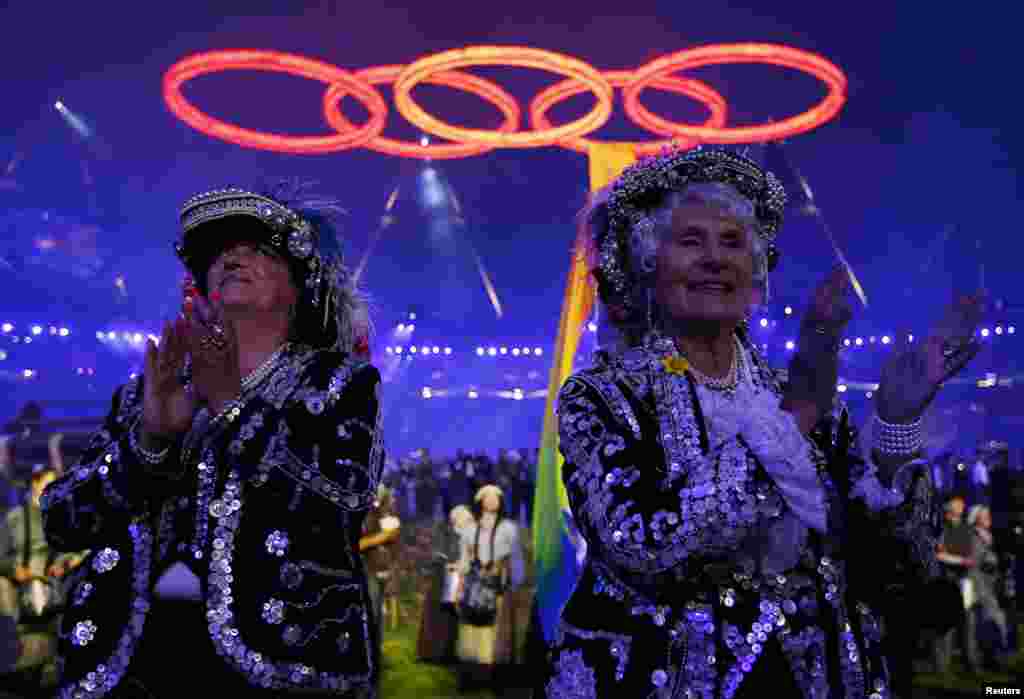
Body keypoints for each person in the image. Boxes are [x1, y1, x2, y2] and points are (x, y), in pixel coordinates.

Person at [535, 147, 985, 698]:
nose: (715, 259)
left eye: (732, 242)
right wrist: (788, 424)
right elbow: (640, 545)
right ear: (647, 264)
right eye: (691, 241)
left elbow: (896, 559)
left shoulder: (800, 396)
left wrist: (896, 420)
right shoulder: (603, 397)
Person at [40, 183, 384, 697]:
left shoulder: (339, 383)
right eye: (218, 252)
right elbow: (62, 521)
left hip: (280, 667)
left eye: (258, 248)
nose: (232, 258)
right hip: (136, 668)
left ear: (302, 282)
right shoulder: (146, 391)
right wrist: (150, 441)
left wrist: (231, 407)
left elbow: (340, 508)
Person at [456, 484, 526, 690]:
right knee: (471, 630)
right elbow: (464, 559)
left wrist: (516, 581)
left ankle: (494, 675)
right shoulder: (469, 530)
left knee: (495, 631)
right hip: (474, 586)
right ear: (480, 501)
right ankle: (471, 674)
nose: (492, 500)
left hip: (498, 586)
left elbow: (515, 559)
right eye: (488, 497)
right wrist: (459, 587)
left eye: (496, 497)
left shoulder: (508, 529)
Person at [417, 504, 474, 663]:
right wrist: (450, 562)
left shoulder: (469, 535)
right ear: (456, 519)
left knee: (453, 617)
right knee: (438, 616)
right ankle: (432, 653)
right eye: (466, 519)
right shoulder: (446, 533)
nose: (469, 521)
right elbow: (437, 554)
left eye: (469, 519)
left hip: (460, 578)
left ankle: (449, 652)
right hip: (442, 580)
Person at [358, 484, 401, 674]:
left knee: (379, 618)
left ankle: (376, 657)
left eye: (381, 495)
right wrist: (382, 537)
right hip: (368, 571)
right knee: (372, 616)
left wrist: (393, 533)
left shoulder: (383, 513)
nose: (378, 498)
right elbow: (358, 544)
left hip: (383, 570)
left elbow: (393, 537)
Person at [934, 494, 977, 674]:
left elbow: (970, 556)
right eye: (956, 504)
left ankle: (971, 661)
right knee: (945, 621)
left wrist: (955, 558)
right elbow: (939, 554)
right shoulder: (942, 529)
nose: (960, 506)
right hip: (948, 580)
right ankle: (942, 665)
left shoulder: (966, 529)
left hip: (965, 581)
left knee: (968, 621)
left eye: (960, 504)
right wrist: (960, 560)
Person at [966, 504, 1010, 669]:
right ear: (976, 519)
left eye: (988, 515)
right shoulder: (973, 536)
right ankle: (981, 661)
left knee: (992, 621)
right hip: (978, 586)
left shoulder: (987, 536)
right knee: (985, 623)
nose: (988, 518)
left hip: (988, 585)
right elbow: (972, 563)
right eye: (984, 516)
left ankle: (990, 659)